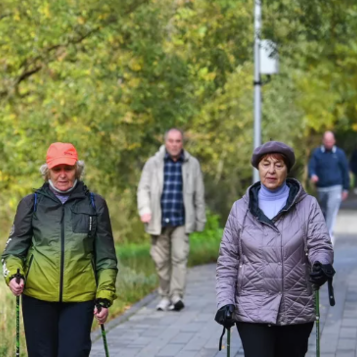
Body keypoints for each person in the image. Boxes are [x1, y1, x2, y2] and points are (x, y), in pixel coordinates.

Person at [215, 141, 334, 357]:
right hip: (252, 308)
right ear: (258, 168)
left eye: (278, 165)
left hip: (295, 306)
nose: (271, 170)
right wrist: (225, 301)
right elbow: (228, 259)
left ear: (287, 169)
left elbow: (319, 243)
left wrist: (321, 263)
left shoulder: (308, 205)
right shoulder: (240, 209)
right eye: (266, 164)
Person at [1, 142, 118, 356]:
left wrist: (104, 295)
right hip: (37, 296)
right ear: (48, 171)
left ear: (77, 170)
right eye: (57, 169)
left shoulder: (95, 204)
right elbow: (13, 251)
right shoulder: (31, 204)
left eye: (68, 168)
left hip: (80, 297)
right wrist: (13, 275)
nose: (62, 175)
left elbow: (106, 258)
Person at [137, 128, 206, 311]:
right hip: (158, 220)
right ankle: (164, 296)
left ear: (182, 143)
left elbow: (199, 193)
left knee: (179, 258)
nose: (174, 144)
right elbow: (143, 189)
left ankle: (176, 296)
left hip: (181, 220)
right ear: (165, 142)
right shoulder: (153, 163)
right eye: (171, 141)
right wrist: (145, 210)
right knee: (161, 261)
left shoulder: (192, 164)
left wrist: (200, 220)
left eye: (178, 141)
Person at [308, 131, 350, 244]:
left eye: (330, 141)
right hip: (321, 188)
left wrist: (346, 188)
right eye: (326, 141)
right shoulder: (317, 153)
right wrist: (313, 175)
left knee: (332, 209)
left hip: (336, 186)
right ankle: (324, 232)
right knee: (323, 211)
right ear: (323, 141)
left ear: (334, 141)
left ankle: (328, 235)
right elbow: (311, 167)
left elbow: (345, 171)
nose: (328, 143)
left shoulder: (339, 154)